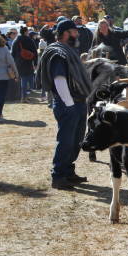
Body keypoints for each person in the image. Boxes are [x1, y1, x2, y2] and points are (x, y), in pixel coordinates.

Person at [38, 19, 92, 190]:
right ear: (66, 33)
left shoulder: (69, 50)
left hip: (77, 102)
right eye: (74, 31)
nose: (77, 34)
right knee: (66, 140)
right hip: (68, 103)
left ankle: (68, 171)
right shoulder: (58, 53)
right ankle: (58, 176)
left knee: (76, 139)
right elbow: (59, 79)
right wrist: (69, 104)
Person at [11, 26, 38, 103]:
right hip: (28, 62)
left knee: (20, 78)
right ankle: (24, 96)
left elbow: (12, 53)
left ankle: (20, 96)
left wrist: (12, 63)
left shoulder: (16, 40)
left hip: (18, 62)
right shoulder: (30, 40)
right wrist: (35, 63)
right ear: (26, 32)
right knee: (26, 79)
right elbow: (35, 52)